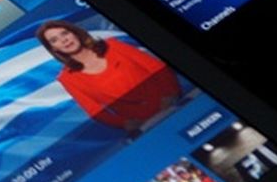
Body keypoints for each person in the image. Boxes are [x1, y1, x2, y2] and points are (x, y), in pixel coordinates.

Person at [37, 20, 182, 134]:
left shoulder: (113, 46)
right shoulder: (67, 78)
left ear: (74, 33)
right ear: (54, 49)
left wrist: (170, 95)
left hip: (172, 104)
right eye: (54, 40)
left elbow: (157, 68)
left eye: (65, 33)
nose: (64, 40)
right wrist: (125, 123)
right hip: (143, 123)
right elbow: (94, 111)